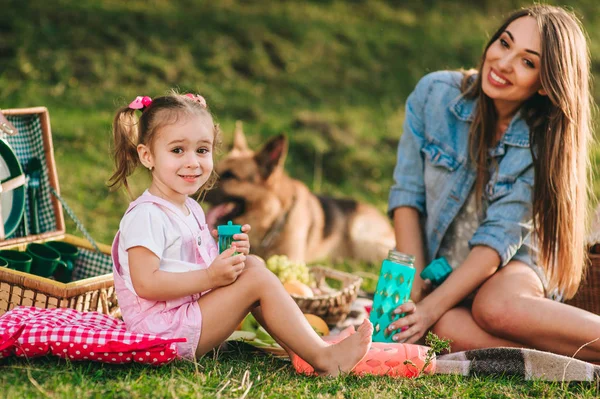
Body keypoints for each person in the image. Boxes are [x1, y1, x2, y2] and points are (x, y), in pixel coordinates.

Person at [387, 5, 600, 362]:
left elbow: (496, 244)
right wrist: (416, 297)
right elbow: (408, 198)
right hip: (447, 267)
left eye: (527, 62)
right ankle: (570, 357)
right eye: (504, 43)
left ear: (547, 85)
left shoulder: (539, 139)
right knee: (440, 331)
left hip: (517, 261)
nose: (503, 63)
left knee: (493, 307)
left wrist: (429, 307)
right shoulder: (433, 95)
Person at [107, 92, 372, 374]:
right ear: (147, 156)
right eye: (177, 150)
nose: (193, 162)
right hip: (161, 335)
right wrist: (210, 277)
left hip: (183, 320)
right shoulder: (147, 215)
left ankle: (304, 349)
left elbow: (191, 265)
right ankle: (325, 359)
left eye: (202, 150)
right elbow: (146, 283)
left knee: (253, 265)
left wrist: (228, 257)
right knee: (255, 276)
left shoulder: (191, 209)